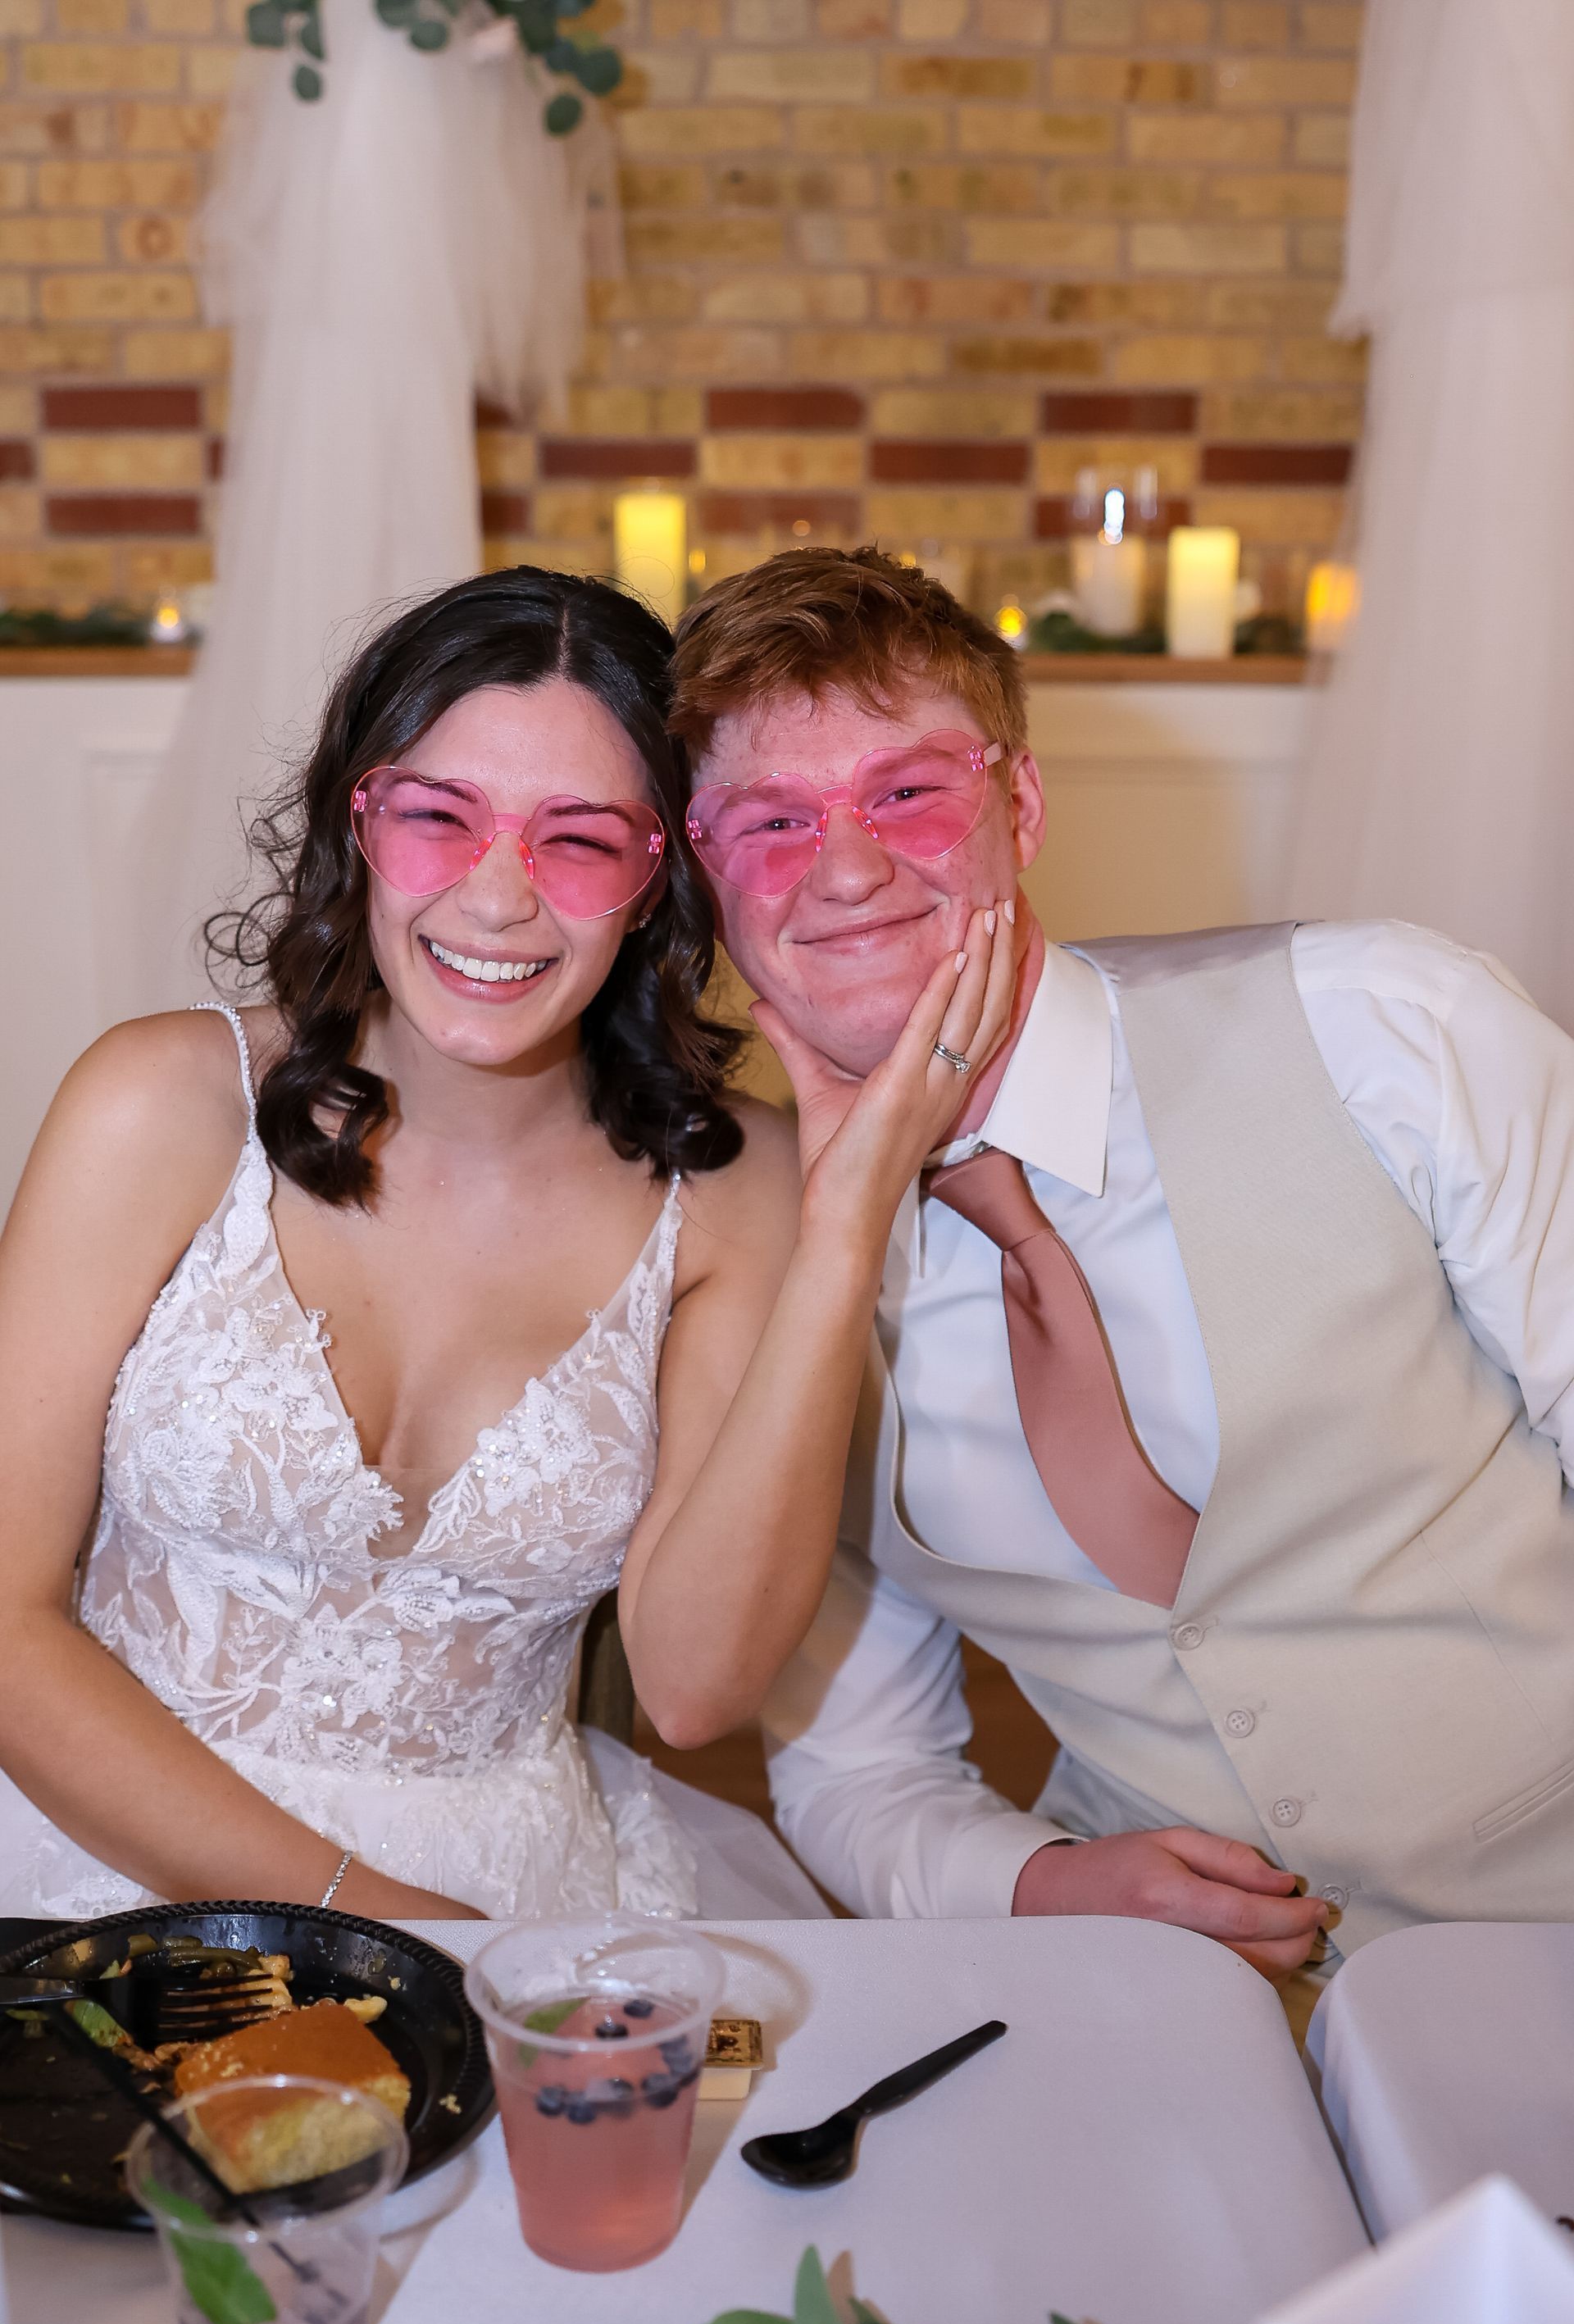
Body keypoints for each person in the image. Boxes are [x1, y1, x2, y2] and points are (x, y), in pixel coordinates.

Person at [0, 564, 1016, 1923]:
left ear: (661, 882)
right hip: (105, 1854)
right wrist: (407, 1935)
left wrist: (843, 1227)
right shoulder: (159, 1106)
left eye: (579, 839)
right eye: (439, 819)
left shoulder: (738, 1187)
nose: (495, 900)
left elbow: (694, 1685)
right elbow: (7, 1630)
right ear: (357, 825)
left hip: (524, 1886)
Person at [669, 543, 1574, 2001]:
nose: (843, 865)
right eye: (771, 820)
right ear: (704, 880)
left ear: (1018, 805)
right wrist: (1041, 1884)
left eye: (907, 790)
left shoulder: (1381, 1026)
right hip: (1173, 2004)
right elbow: (857, 1770)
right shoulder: (753, 1276)